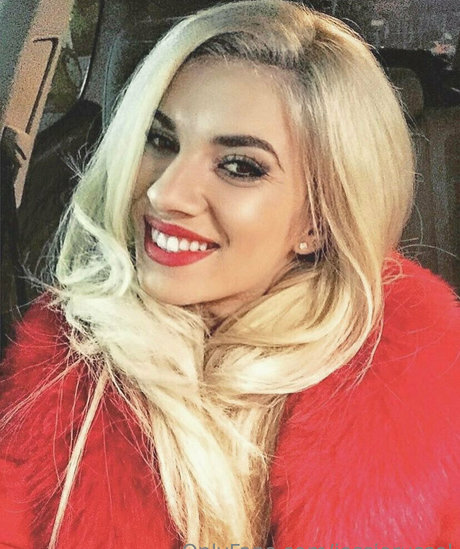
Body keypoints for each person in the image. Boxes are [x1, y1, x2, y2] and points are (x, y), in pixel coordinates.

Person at [1, 0, 459, 547]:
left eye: (239, 166)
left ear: (317, 221)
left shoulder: (430, 400)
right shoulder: (51, 394)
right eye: (160, 140)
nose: (165, 193)